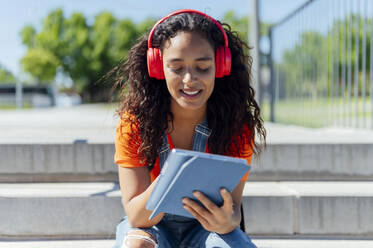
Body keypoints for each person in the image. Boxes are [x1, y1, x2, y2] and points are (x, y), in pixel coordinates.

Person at [109, 9, 266, 248]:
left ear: (221, 67)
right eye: (176, 67)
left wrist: (227, 221)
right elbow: (137, 216)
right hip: (152, 226)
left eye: (203, 67)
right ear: (157, 66)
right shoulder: (134, 123)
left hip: (206, 228)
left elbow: (233, 210)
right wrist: (173, 178)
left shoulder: (236, 124)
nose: (189, 79)